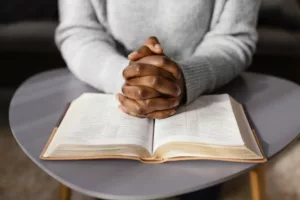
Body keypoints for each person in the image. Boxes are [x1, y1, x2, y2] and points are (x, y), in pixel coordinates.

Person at [55, 0, 261, 199]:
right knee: (113, 185)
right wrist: (126, 77)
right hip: (109, 89)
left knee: (199, 182)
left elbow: (234, 36)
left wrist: (186, 77)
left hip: (201, 93)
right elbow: (79, 31)